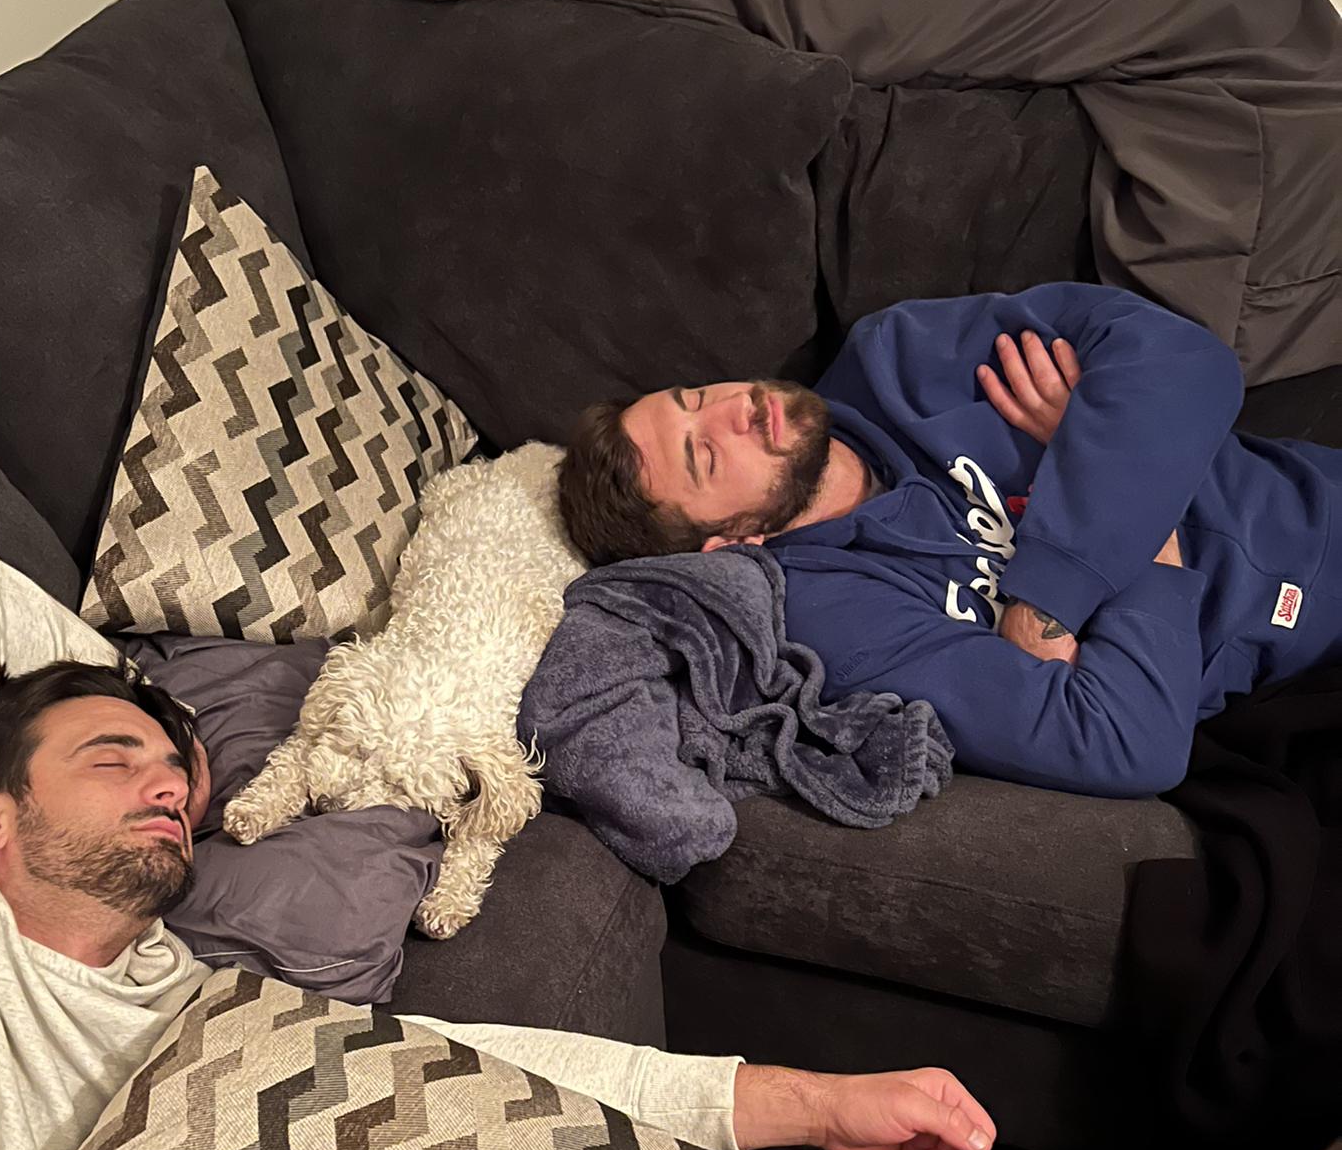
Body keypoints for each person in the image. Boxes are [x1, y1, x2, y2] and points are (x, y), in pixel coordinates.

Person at [0, 538, 996, 1150]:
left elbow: (466, 1064)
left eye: (174, 774)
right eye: (111, 758)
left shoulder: (193, 1006)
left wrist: (815, 1103)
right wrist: (158, 703)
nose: (161, 783)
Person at [558, 282, 1342, 798]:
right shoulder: (839, 619)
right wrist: (1127, 486)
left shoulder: (900, 358)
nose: (738, 407)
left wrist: (1046, 599)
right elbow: (1123, 744)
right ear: (727, 545)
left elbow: (1187, 361)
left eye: (695, 396)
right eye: (704, 455)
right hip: (1301, 676)